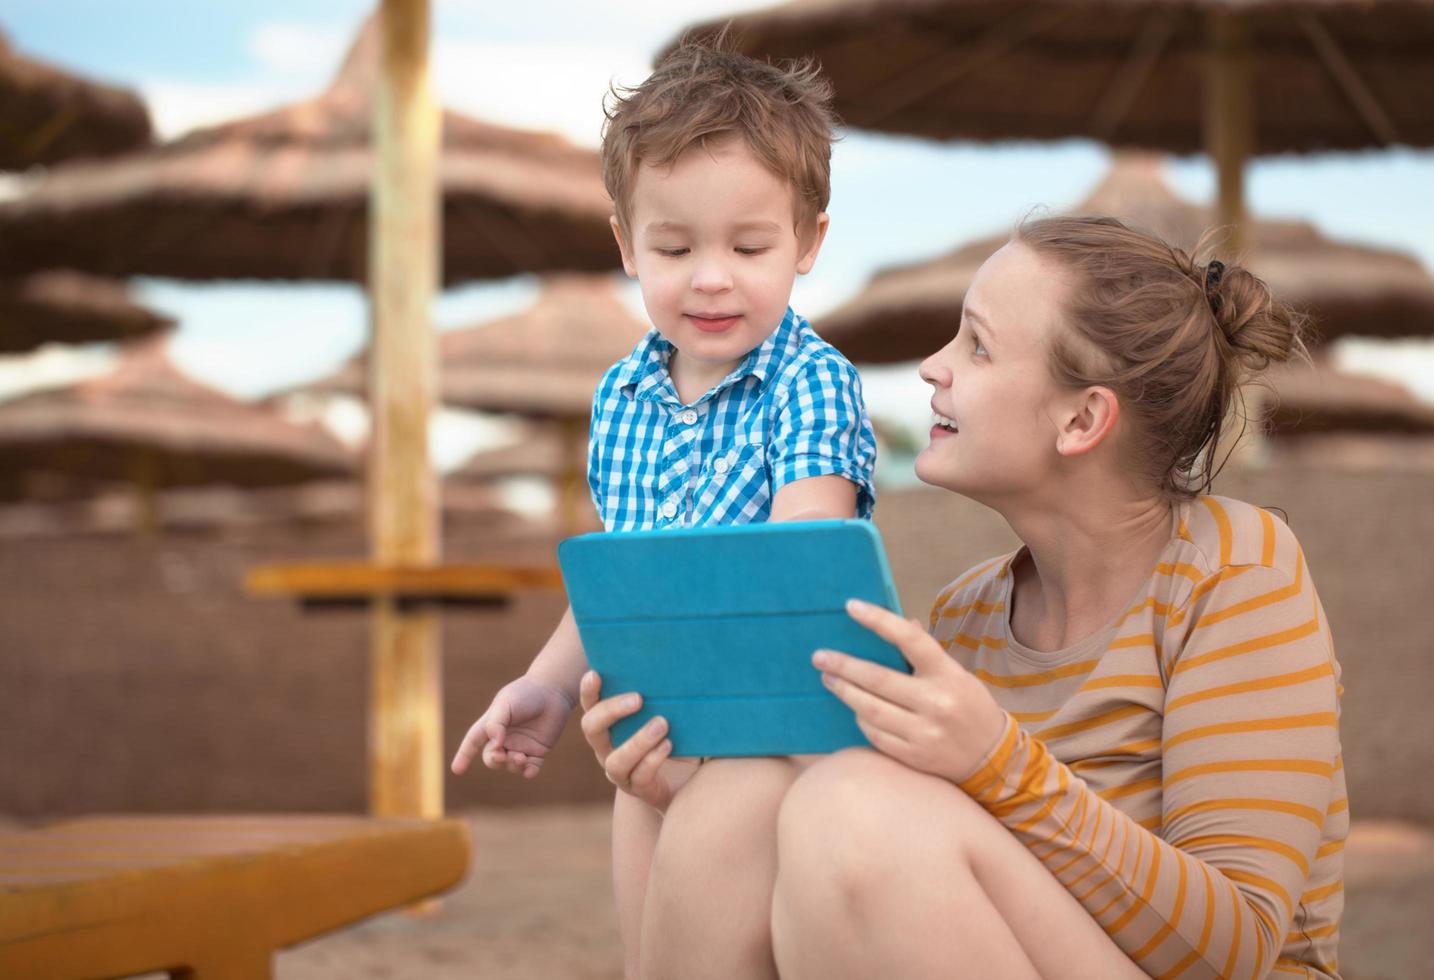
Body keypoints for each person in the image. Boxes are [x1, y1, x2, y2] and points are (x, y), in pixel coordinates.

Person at [580, 215, 1347, 979]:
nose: (931, 366)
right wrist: (673, 792)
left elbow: (1237, 946)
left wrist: (995, 760)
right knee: (735, 797)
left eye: (976, 345)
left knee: (850, 809)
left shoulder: (1237, 571)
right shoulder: (965, 615)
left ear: (1082, 420)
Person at [449, 39, 878, 978]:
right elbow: (620, 578)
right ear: (626, 245)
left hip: (773, 742)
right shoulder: (621, 396)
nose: (710, 277)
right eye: (675, 248)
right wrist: (549, 686)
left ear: (808, 242)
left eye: (749, 246)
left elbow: (798, 573)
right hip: (654, 729)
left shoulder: (808, 383)